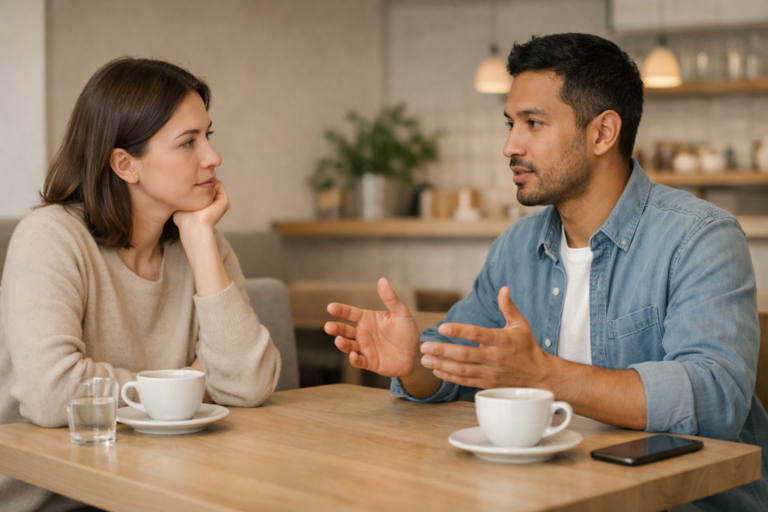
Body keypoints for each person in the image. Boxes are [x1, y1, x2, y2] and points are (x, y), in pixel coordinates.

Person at [325, 33, 767, 511]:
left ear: (603, 133)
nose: (510, 145)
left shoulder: (699, 237)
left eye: (533, 123)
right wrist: (415, 363)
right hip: (549, 495)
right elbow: (462, 365)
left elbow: (716, 399)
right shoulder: (518, 245)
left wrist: (545, 376)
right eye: (511, 123)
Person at [0, 58, 281, 512]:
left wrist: (199, 241)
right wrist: (187, 386)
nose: (213, 157)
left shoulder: (202, 240)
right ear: (125, 164)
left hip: (161, 482)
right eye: (188, 142)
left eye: (207, 136)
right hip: (51, 497)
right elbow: (53, 396)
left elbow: (247, 385)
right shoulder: (50, 237)